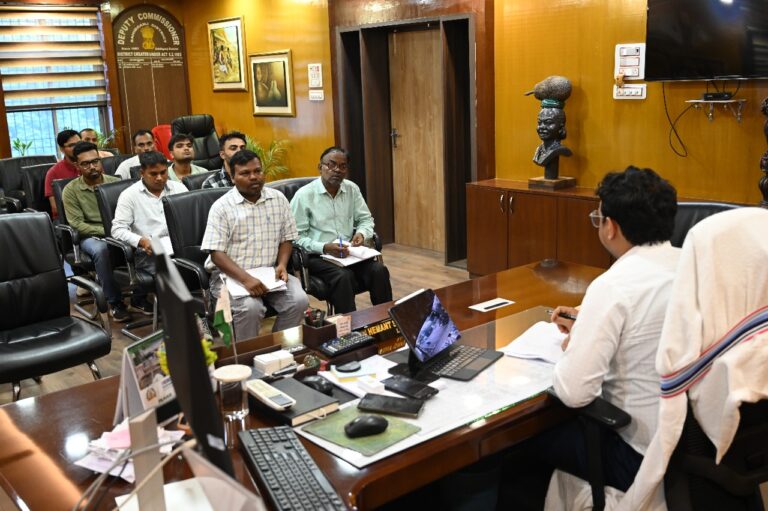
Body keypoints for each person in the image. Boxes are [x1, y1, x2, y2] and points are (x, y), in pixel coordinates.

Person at [495, 166, 680, 510]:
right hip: (685, 447)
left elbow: (574, 392)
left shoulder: (613, 286)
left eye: (598, 218)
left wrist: (577, 344)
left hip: (635, 455)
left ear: (611, 226)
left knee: (514, 443)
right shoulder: (691, 268)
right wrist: (588, 324)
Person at [201, 149, 309, 341]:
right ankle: (248, 354)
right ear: (232, 177)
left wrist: (282, 264)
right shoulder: (221, 207)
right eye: (245, 173)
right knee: (251, 308)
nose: (253, 177)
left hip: (269, 272)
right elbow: (216, 253)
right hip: (230, 276)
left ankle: (278, 346)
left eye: (257, 171)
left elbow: (287, 238)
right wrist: (246, 279)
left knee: (299, 301)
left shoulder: (278, 199)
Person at [290, 147, 392, 313]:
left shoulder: (352, 189)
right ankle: (350, 326)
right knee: (343, 276)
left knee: (378, 270)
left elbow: (365, 219)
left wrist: (361, 234)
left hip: (348, 252)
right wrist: (324, 247)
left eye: (342, 166)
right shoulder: (304, 195)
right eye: (331, 165)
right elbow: (295, 237)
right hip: (317, 255)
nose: (337, 170)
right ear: (320, 167)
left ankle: (386, 319)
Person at [111, 151, 188, 313]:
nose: (159, 178)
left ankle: (204, 311)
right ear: (142, 172)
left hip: (181, 246)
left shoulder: (179, 188)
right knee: (175, 272)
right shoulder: (129, 195)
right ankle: (186, 317)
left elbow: (191, 219)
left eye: (163, 172)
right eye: (153, 174)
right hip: (149, 252)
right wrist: (142, 241)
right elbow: (117, 229)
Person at [61, 141, 129, 322]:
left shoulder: (116, 183)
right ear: (77, 166)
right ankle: (115, 302)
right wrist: (108, 232)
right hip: (90, 236)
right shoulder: (70, 190)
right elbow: (77, 224)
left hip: (119, 231)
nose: (92, 167)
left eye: (95, 161)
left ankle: (139, 298)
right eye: (85, 164)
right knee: (101, 250)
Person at [44, 129, 81, 218]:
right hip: (65, 219)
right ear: (61, 149)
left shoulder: (90, 166)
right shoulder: (53, 172)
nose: (77, 148)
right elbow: (55, 208)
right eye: (71, 145)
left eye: (79, 144)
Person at [532, 106, 572, 177]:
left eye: (549, 123)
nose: (542, 127)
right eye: (539, 122)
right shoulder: (538, 150)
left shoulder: (561, 150)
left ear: (561, 127)